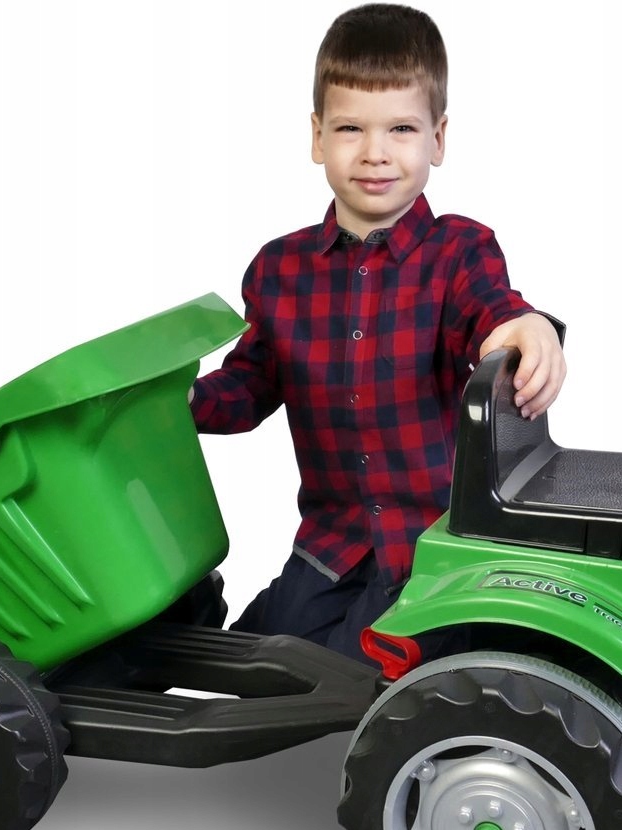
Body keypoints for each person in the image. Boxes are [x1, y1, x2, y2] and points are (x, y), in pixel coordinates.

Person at [190, 3, 565, 664]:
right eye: (349, 129)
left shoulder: (460, 251)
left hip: (434, 548)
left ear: (437, 139)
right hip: (331, 544)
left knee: (364, 673)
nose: (374, 152)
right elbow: (248, 387)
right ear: (317, 137)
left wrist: (524, 327)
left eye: (401, 128)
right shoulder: (279, 269)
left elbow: (490, 310)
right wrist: (178, 402)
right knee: (257, 664)